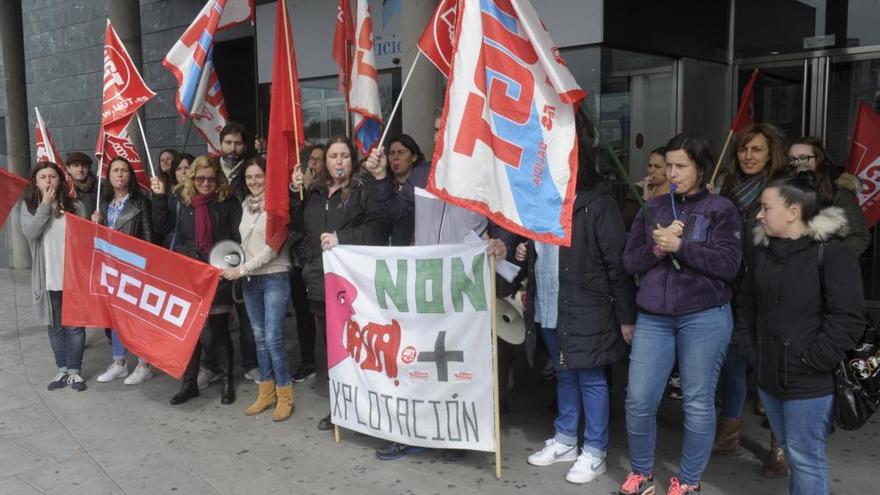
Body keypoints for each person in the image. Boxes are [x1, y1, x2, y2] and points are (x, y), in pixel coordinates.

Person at [362, 117, 514, 461]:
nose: (441, 133)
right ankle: (416, 431)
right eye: (435, 129)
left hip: (465, 289)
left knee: (462, 363)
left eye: (448, 125)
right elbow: (394, 211)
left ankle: (457, 434)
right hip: (426, 288)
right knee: (419, 361)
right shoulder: (421, 176)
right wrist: (382, 178)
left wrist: (503, 242)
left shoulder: (485, 177)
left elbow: (504, 222)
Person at [619, 133, 742, 495]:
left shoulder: (722, 208)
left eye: (680, 165)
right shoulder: (654, 208)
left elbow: (729, 264)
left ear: (700, 168)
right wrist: (658, 250)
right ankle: (641, 474)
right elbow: (629, 262)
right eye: (668, 164)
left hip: (704, 315)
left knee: (697, 401)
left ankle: (688, 481)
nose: (671, 172)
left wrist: (681, 247)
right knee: (638, 397)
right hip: (654, 315)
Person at [733, 170, 864, 495]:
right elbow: (746, 306)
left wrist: (812, 360)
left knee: (805, 457)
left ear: (793, 212)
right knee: (794, 452)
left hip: (810, 381)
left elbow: (848, 319)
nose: (759, 215)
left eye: (766, 208)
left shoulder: (832, 255)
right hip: (768, 375)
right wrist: (752, 351)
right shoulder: (764, 255)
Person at [517, 135, 636, 484]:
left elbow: (617, 263)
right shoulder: (542, 200)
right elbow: (543, 249)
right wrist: (527, 253)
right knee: (564, 371)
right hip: (550, 303)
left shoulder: (598, 203)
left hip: (587, 306)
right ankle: (567, 439)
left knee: (591, 378)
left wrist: (627, 316)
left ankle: (596, 450)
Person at [290, 136, 388, 430]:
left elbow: (378, 229)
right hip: (321, 284)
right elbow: (297, 228)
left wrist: (341, 239)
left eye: (344, 155)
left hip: (355, 286)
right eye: (333, 156)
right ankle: (342, 405)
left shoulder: (363, 190)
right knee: (333, 348)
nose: (339, 162)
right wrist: (294, 192)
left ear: (352, 159)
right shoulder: (315, 193)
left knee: (359, 346)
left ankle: (371, 404)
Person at [715, 123, 788, 474]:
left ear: (770, 153)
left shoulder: (784, 192)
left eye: (756, 149)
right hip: (734, 292)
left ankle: (779, 448)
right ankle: (728, 437)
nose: (748, 156)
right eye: (744, 149)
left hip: (772, 294)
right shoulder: (727, 190)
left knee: (771, 370)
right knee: (733, 365)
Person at [151, 155, 243, 405]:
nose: (205, 183)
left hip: (216, 274)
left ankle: (226, 381)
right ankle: (189, 384)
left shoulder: (228, 201)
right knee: (189, 332)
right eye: (200, 178)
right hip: (187, 273)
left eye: (211, 179)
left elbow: (236, 237)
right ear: (192, 177)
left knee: (220, 330)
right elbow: (162, 227)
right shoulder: (180, 199)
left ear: (218, 179)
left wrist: (226, 264)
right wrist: (159, 198)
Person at [221, 157, 295, 421]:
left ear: (268, 178)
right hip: (250, 280)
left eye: (259, 176)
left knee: (273, 338)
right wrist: (232, 263)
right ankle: (266, 392)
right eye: (250, 177)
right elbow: (242, 243)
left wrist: (241, 270)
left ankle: (285, 393)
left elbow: (273, 249)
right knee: (259, 337)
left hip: (273, 276)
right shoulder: (244, 205)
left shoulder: (277, 206)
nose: (253, 181)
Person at [20, 161, 88, 391]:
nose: (48, 180)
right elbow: (30, 232)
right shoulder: (28, 207)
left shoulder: (76, 206)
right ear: (35, 183)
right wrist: (45, 206)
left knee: (75, 326)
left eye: (52, 176)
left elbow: (85, 240)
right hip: (47, 278)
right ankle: (62, 369)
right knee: (55, 325)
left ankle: (75, 372)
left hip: (72, 276)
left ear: (61, 179)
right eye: (43, 177)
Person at [92, 157, 155, 385]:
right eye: (115, 170)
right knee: (115, 317)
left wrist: (146, 269)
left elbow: (149, 238)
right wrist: (95, 224)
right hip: (110, 269)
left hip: (134, 268)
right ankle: (119, 363)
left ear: (130, 176)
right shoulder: (104, 204)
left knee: (138, 318)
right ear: (108, 177)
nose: (120, 174)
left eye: (124, 171)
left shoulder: (141, 203)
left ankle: (144, 364)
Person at [210, 122, 259, 385]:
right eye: (228, 142)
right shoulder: (211, 172)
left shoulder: (254, 171)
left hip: (247, 252)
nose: (232, 148)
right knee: (214, 316)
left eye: (237, 143)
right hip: (216, 253)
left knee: (247, 315)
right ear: (220, 144)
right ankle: (215, 365)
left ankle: (250, 363)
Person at [788, 136, 870, 257]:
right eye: (792, 159)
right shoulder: (781, 190)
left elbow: (859, 236)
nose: (797, 162)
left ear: (819, 160)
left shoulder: (838, 194)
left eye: (804, 158)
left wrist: (829, 260)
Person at [288, 145, 323, 383]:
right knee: (304, 314)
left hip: (325, 263)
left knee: (327, 317)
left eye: (320, 160)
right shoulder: (302, 189)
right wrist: (298, 190)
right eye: (311, 159)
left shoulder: (329, 190)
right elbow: (294, 221)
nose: (314, 164)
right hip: (301, 261)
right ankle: (308, 361)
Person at [65, 151, 99, 218]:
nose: (80, 169)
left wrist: (100, 218)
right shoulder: (64, 189)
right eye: (76, 166)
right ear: (68, 169)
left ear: (89, 168)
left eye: (84, 166)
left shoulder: (99, 188)